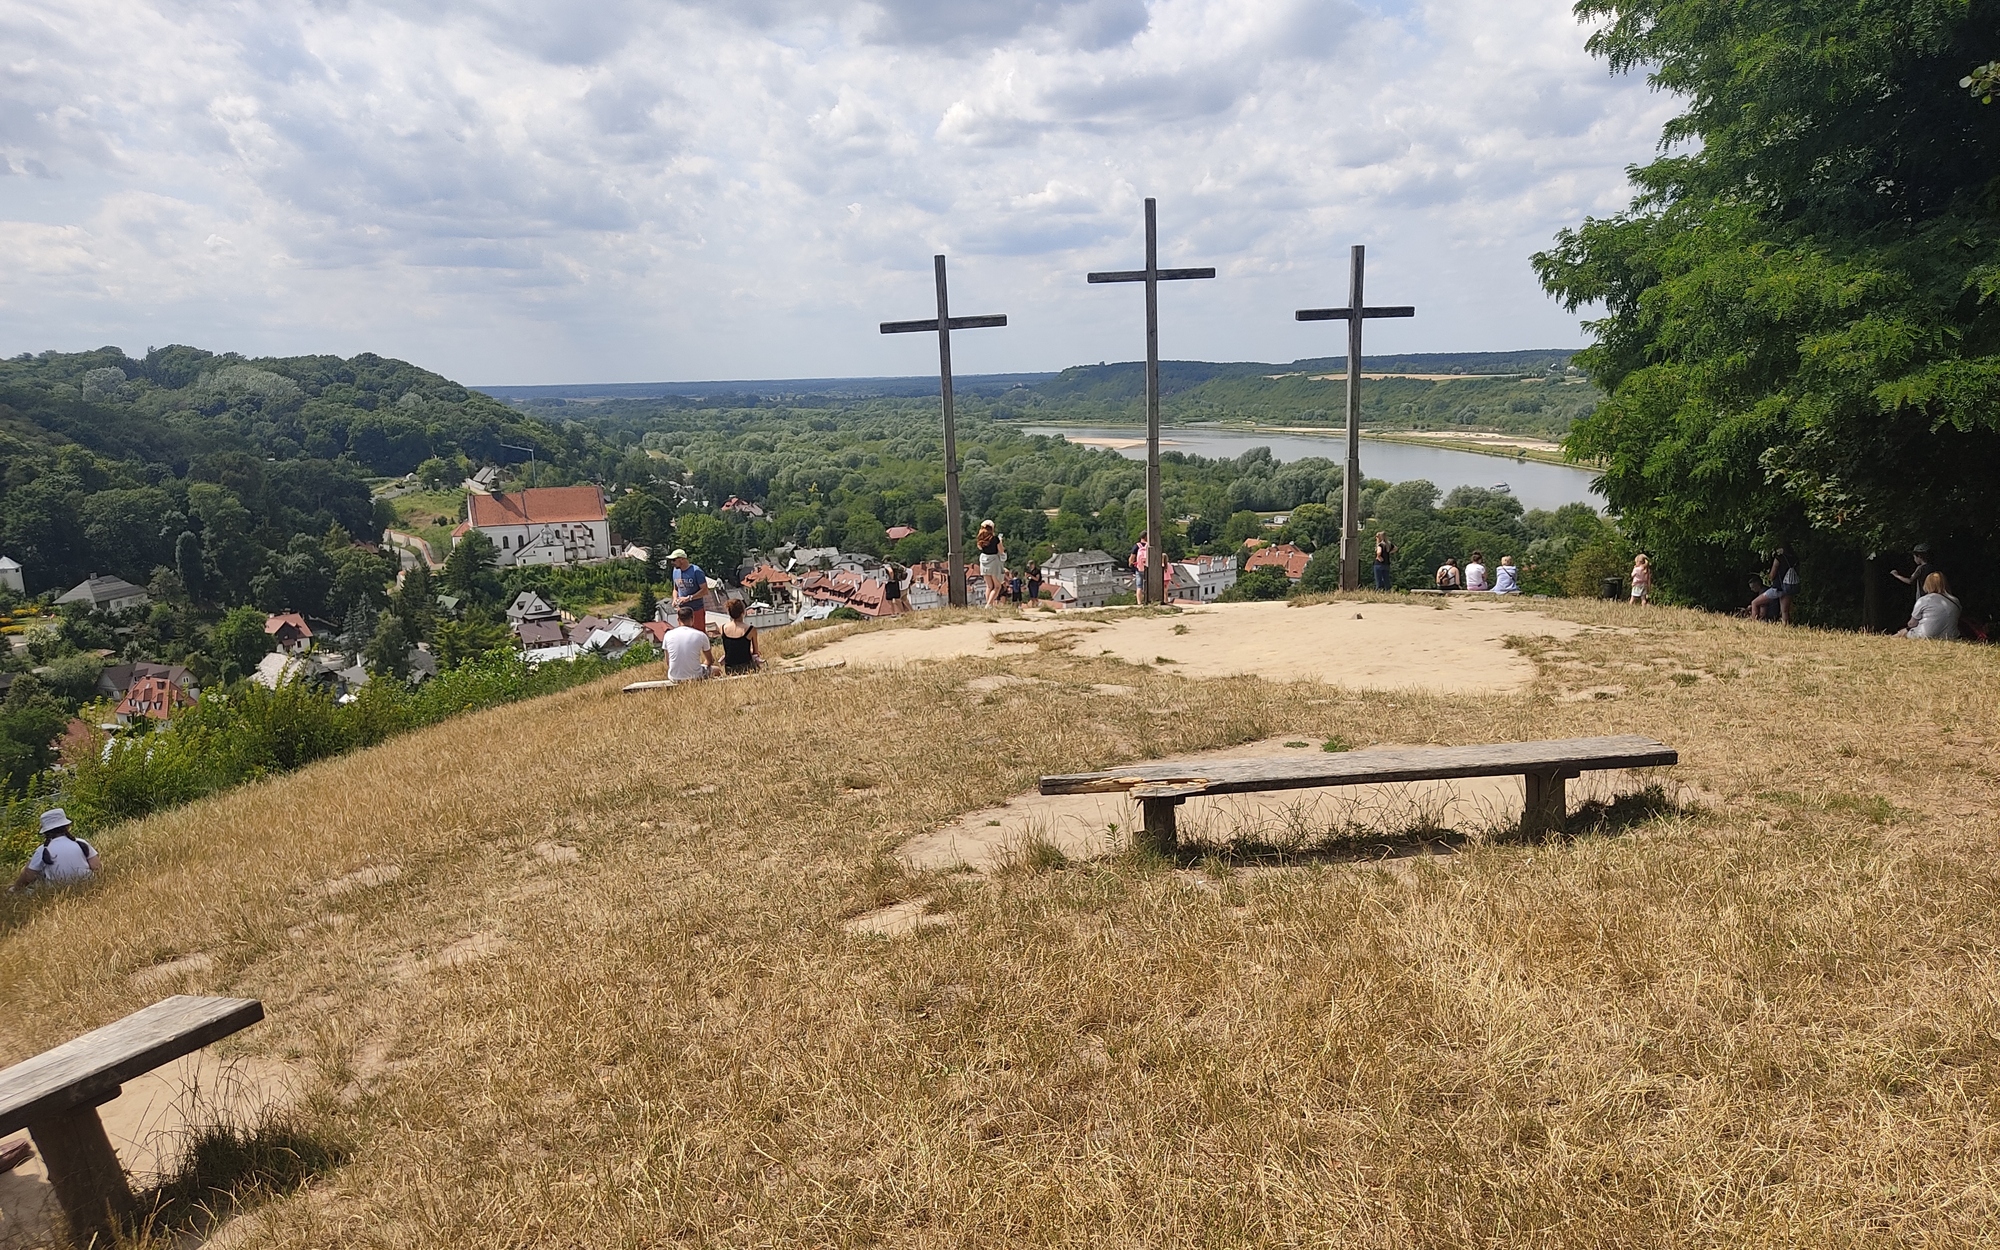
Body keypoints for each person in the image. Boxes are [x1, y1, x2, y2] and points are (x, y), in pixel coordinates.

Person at [10, 809, 99, 891]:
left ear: (45, 832)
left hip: (56, 890)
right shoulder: (81, 843)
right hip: (88, 885)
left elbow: (29, 876)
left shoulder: (42, 850)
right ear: (67, 826)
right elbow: (96, 866)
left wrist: (17, 888)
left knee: (34, 874)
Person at [1899, 571, 1962, 639]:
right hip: (1950, 636)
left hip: (1926, 635)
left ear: (1927, 584)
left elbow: (1912, 624)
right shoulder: (1955, 600)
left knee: (1903, 632)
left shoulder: (1924, 600)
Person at [663, 601, 715, 682]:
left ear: (678, 619)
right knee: (716, 670)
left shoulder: (668, 635)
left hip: (674, 677)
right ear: (692, 619)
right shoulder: (701, 635)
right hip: (696, 676)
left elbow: (668, 662)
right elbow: (710, 660)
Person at [668, 548, 709, 633]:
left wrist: (689, 598)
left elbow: (705, 591)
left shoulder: (696, 571)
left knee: (698, 633)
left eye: (674, 560)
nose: (672, 562)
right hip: (682, 610)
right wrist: (675, 598)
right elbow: (675, 589)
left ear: (682, 559)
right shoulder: (675, 571)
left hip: (696, 609)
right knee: (684, 633)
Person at [717, 597, 762, 674]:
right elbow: (755, 652)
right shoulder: (751, 629)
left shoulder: (722, 628)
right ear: (743, 612)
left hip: (729, 668)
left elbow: (733, 647)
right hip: (746, 667)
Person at [1890, 544, 1937, 612]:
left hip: (1923, 597)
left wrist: (1896, 575)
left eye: (1914, 557)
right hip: (1934, 596)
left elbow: (1910, 581)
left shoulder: (1920, 568)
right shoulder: (1933, 567)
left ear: (1919, 556)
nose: (1914, 559)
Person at [1768, 544, 1800, 624]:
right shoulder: (1795, 559)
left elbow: (1772, 574)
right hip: (1789, 586)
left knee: (1755, 603)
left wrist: (1769, 577)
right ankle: (1785, 626)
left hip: (1778, 587)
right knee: (1785, 610)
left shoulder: (1779, 558)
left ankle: (1754, 621)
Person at [976, 521, 1005, 606]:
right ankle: (989, 604)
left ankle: (988, 604)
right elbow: (1001, 551)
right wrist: (1000, 541)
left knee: (989, 586)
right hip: (993, 562)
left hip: (984, 562)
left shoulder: (980, 539)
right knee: (997, 586)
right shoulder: (995, 539)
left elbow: (980, 548)